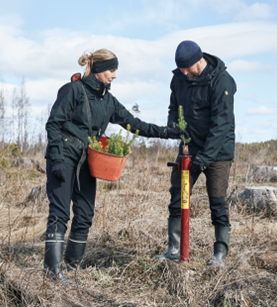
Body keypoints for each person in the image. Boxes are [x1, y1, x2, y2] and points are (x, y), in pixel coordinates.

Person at [44, 48, 188, 283]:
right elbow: (54, 124)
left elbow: (134, 124)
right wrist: (57, 158)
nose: (115, 75)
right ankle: (52, 272)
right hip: (64, 157)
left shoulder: (108, 100)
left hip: (87, 161)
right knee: (60, 213)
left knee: (84, 215)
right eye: (112, 70)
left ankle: (71, 269)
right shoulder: (73, 90)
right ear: (99, 69)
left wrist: (169, 132)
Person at [155, 41, 236, 267]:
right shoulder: (179, 79)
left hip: (218, 151)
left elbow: (222, 125)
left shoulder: (221, 81)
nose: (184, 72)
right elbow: (174, 107)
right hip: (188, 148)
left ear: (198, 60)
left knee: (217, 202)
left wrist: (204, 158)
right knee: (177, 197)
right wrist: (173, 125)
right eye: (180, 69)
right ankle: (174, 249)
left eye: (187, 68)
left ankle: (219, 254)